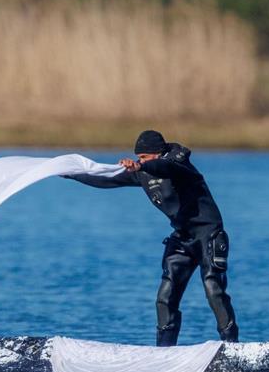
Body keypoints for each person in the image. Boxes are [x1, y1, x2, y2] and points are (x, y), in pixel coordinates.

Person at [63, 130, 239, 346]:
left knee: (214, 289)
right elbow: (105, 180)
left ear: (158, 153)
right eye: (139, 158)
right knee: (165, 297)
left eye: (144, 157)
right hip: (182, 238)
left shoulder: (179, 164)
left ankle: (231, 346)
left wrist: (141, 166)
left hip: (208, 235)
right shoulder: (143, 171)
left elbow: (165, 168)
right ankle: (163, 351)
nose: (141, 161)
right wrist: (69, 173)